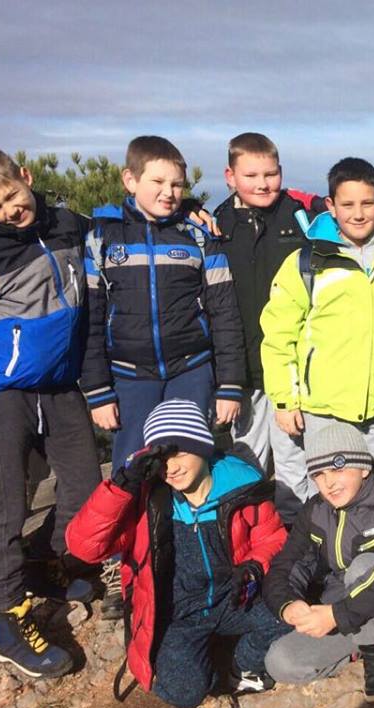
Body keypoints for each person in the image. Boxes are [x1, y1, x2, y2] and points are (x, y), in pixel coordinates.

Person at [80, 136, 245, 618]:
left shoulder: (198, 235)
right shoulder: (102, 236)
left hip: (191, 370)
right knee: (131, 470)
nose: (169, 192)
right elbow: (91, 321)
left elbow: (224, 314)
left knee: (194, 466)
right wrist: (98, 391)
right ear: (130, 180)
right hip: (129, 378)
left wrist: (229, 384)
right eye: (158, 182)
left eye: (178, 184)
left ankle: (197, 559)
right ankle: (123, 568)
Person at [0, 143, 103, 678]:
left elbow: (114, 223)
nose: (9, 212)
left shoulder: (66, 224)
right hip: (2, 390)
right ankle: (6, 619)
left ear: (25, 176)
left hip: (60, 385)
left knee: (85, 485)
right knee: (5, 505)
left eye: (13, 197)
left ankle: (46, 561)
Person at [66, 398, 288, 708]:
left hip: (234, 598)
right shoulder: (147, 501)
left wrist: (254, 566)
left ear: (203, 447)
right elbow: (84, 546)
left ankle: (241, 666)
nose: (171, 468)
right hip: (178, 612)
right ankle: (205, 661)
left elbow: (272, 537)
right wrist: (121, 486)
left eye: (180, 453)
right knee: (184, 691)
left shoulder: (242, 487)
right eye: (161, 459)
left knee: (288, 617)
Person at [260, 157, 374, 482]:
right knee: (330, 496)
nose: (358, 214)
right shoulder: (307, 262)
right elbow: (278, 335)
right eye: (347, 205)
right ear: (331, 206)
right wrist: (285, 400)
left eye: (367, 204)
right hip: (324, 411)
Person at [263, 422, 374, 703]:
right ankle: (363, 646)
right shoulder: (315, 511)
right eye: (319, 474)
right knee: (279, 661)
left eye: (338, 468)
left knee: (362, 567)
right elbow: (285, 566)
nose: (329, 482)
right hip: (349, 611)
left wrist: (335, 616)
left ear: (363, 468)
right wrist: (288, 605)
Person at [213, 133, 325, 519]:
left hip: (292, 367)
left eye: (271, 174)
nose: (263, 184)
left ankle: (299, 533)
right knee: (246, 457)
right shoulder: (216, 224)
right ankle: (249, 531)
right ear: (230, 176)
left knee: (295, 459)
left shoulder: (300, 216)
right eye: (251, 175)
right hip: (242, 367)